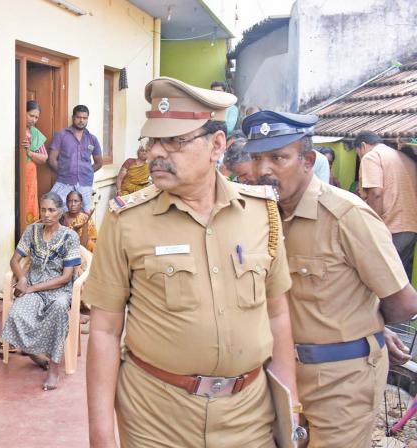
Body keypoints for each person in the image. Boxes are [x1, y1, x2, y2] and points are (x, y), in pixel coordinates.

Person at [85, 77, 298, 448]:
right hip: (155, 418)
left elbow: (278, 315)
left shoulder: (262, 214)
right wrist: (101, 436)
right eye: (153, 141)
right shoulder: (126, 221)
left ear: (217, 144)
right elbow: (103, 332)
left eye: (175, 141)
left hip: (248, 417)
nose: (155, 153)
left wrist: (290, 406)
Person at [245, 111, 417, 448]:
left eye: (278, 157)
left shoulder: (346, 215)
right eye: (257, 158)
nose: (264, 169)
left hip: (342, 377)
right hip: (280, 374)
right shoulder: (261, 216)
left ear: (308, 160)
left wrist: (365, 324)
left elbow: (404, 302)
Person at [2, 192, 82, 391]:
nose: (46, 214)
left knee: (58, 309)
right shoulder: (32, 231)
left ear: (60, 211)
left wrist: (31, 287)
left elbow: (65, 277)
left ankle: (53, 369)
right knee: (17, 314)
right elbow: (14, 261)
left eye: (52, 210)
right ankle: (34, 353)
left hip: (60, 290)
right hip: (33, 286)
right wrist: (21, 278)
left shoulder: (70, 237)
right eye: (43, 209)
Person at [354, 131, 417, 281]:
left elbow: (376, 193)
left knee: (381, 280)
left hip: (391, 228)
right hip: (410, 226)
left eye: (358, 154)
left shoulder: (371, 156)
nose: (361, 158)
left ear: (363, 146)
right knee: (401, 280)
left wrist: (374, 226)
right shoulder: (404, 157)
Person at [48, 105, 103, 213]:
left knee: (85, 214)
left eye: (84, 118)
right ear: (73, 117)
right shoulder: (61, 135)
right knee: (54, 210)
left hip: (85, 183)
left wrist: (87, 172)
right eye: (78, 117)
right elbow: (52, 159)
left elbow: (99, 162)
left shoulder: (92, 139)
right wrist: (64, 171)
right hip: (64, 182)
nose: (81, 120)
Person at [19, 100, 49, 226]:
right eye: (31, 115)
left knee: (28, 202)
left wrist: (29, 153)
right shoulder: (15, 129)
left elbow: (44, 158)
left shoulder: (35, 134)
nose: (34, 120)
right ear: (23, 112)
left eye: (36, 117)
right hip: (14, 173)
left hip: (30, 177)